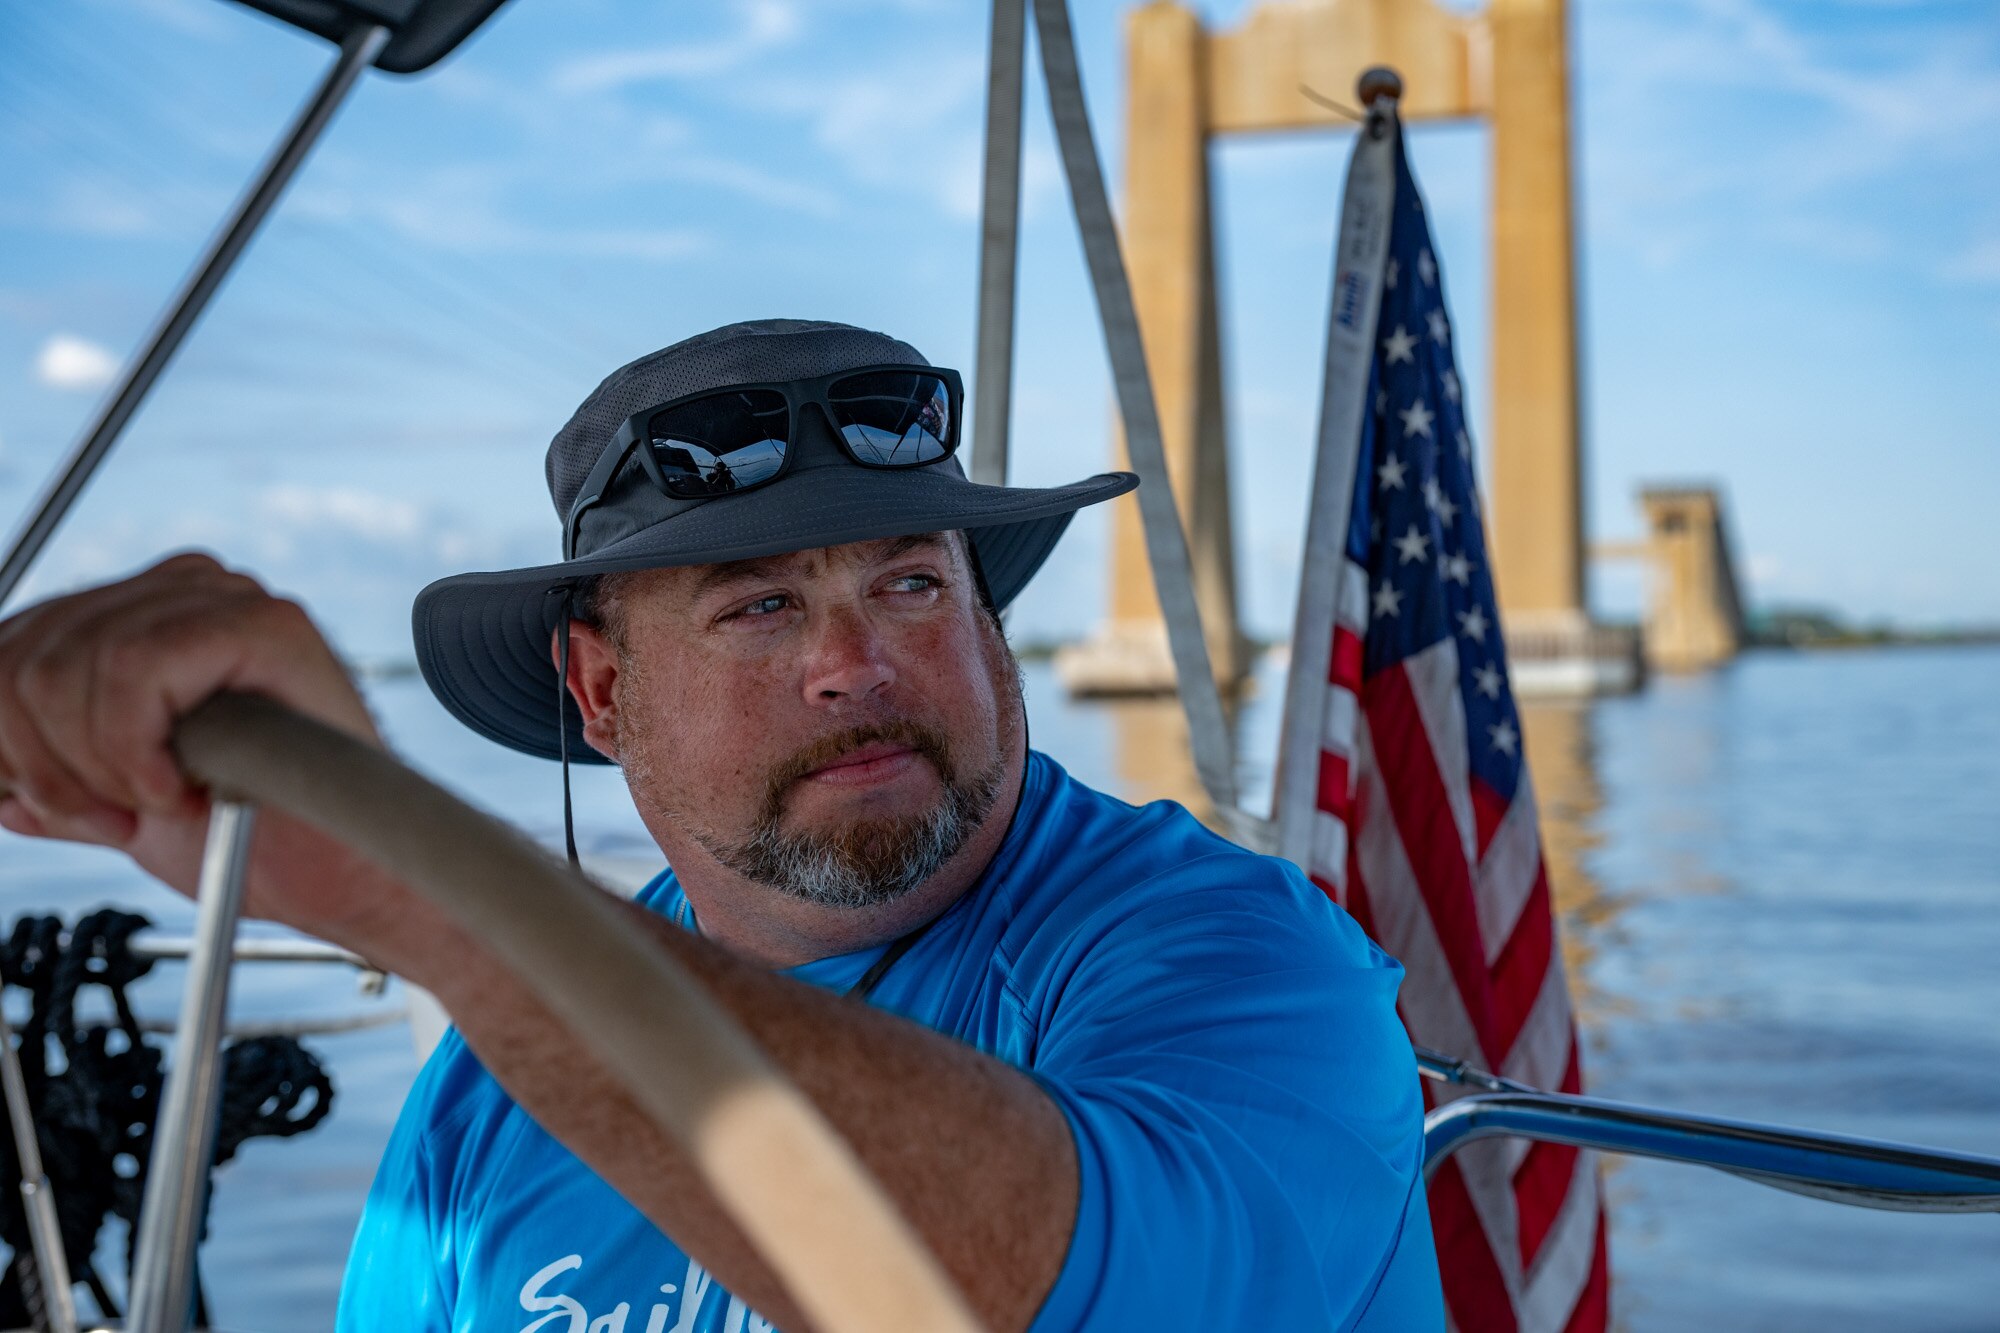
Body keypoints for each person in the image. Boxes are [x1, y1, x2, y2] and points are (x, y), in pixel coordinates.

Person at [0, 320, 1443, 1331]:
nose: (856, 660)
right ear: (604, 690)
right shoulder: (482, 1098)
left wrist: (421, 893)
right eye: (760, 606)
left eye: (912, 585)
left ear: (992, 631)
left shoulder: (1244, 961)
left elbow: (1076, 1299)